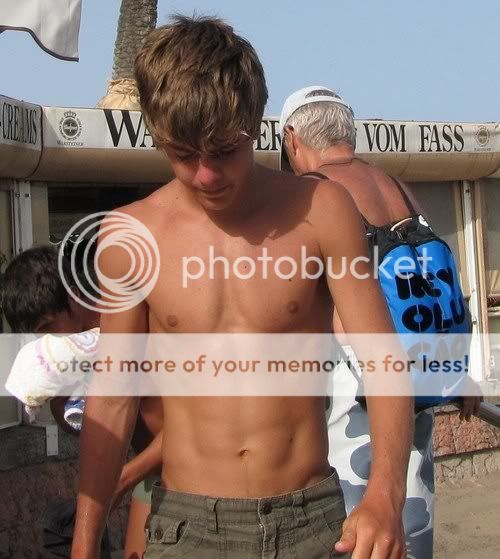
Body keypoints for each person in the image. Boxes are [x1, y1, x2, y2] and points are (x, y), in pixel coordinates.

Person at [72, 16, 413, 559]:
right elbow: (113, 397)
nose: (206, 175)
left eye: (225, 150)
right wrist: (84, 544)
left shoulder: (321, 209)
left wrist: (385, 496)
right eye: (183, 154)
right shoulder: (130, 235)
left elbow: (383, 358)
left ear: (257, 125)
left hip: (309, 519)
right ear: (157, 136)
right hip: (187, 527)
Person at [280, 85, 483, 558]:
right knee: (408, 513)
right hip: (422, 372)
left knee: (355, 523)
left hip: (355, 387)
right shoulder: (397, 188)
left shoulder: (315, 193)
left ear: (292, 138)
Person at [1, 245, 163, 559]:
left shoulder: (141, 326)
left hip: (207, 476)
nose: (46, 343)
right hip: (152, 477)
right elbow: (82, 425)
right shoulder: (73, 355)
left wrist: (122, 479)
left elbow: (198, 425)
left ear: (74, 298)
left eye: (48, 328)